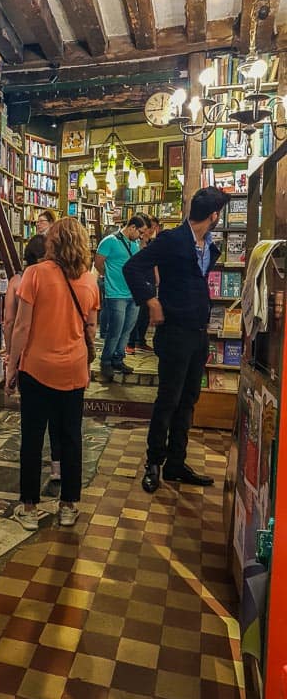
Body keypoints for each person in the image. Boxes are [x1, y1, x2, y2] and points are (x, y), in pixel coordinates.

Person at [123, 187, 229, 493]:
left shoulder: (209, 246)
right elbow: (134, 267)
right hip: (174, 333)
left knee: (188, 399)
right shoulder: (171, 240)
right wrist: (150, 300)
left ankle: (176, 463)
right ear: (213, 215)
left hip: (198, 333)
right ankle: (154, 462)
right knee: (168, 399)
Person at [5, 217, 99, 530]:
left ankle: (29, 507)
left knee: (32, 438)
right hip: (73, 368)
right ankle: (69, 505)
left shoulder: (34, 274)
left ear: (52, 243)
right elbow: (91, 328)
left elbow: (22, 325)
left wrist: (11, 364)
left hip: (37, 367)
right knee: (71, 437)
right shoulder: (89, 280)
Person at [4, 235, 61, 481]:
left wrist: (11, 355)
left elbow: (10, 321)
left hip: (28, 356)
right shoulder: (57, 277)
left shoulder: (17, 281)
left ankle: (30, 483)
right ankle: (57, 466)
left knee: (32, 424)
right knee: (58, 418)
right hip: (55, 353)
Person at [94, 216, 146, 381]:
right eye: (140, 232)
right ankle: (106, 361)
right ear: (132, 227)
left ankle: (118, 358)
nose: (141, 236)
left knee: (126, 330)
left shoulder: (135, 244)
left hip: (133, 294)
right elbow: (98, 263)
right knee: (115, 330)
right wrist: (109, 277)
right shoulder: (109, 241)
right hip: (116, 294)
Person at [126, 214, 158, 354]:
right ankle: (131, 342)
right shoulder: (136, 241)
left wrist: (156, 276)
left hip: (149, 277)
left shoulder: (152, 242)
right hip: (139, 277)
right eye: (151, 227)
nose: (152, 230)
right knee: (136, 312)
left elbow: (154, 261)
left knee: (144, 313)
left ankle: (141, 340)